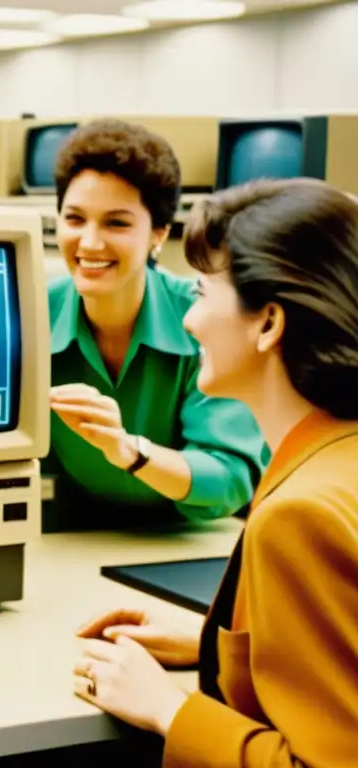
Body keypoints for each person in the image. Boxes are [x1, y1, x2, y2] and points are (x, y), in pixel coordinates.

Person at [74, 178, 358, 766]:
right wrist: (219, 648)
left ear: (269, 323)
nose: (189, 320)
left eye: (202, 293)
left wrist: (166, 709)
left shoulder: (300, 515)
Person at [43, 119, 267, 532]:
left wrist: (130, 451)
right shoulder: (32, 312)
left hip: (182, 543)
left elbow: (230, 477)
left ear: (158, 234)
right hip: (67, 534)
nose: (90, 242)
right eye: (75, 219)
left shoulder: (207, 317)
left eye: (117, 223)